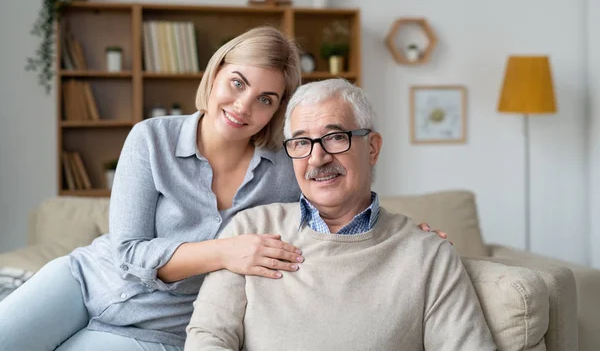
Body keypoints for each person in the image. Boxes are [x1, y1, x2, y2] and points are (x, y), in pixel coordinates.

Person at [0, 27, 445, 351]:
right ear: (216, 75)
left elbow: (341, 208)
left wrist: (404, 236)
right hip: (80, 282)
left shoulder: (288, 171)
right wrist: (226, 251)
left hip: (158, 331)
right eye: (238, 83)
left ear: (277, 112)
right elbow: (129, 253)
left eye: (266, 99)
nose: (243, 106)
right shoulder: (150, 138)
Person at [185, 79, 496, 350]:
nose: (317, 158)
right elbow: (208, 336)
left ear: (372, 148)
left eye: (335, 137)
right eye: (302, 142)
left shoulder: (427, 253)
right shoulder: (250, 229)